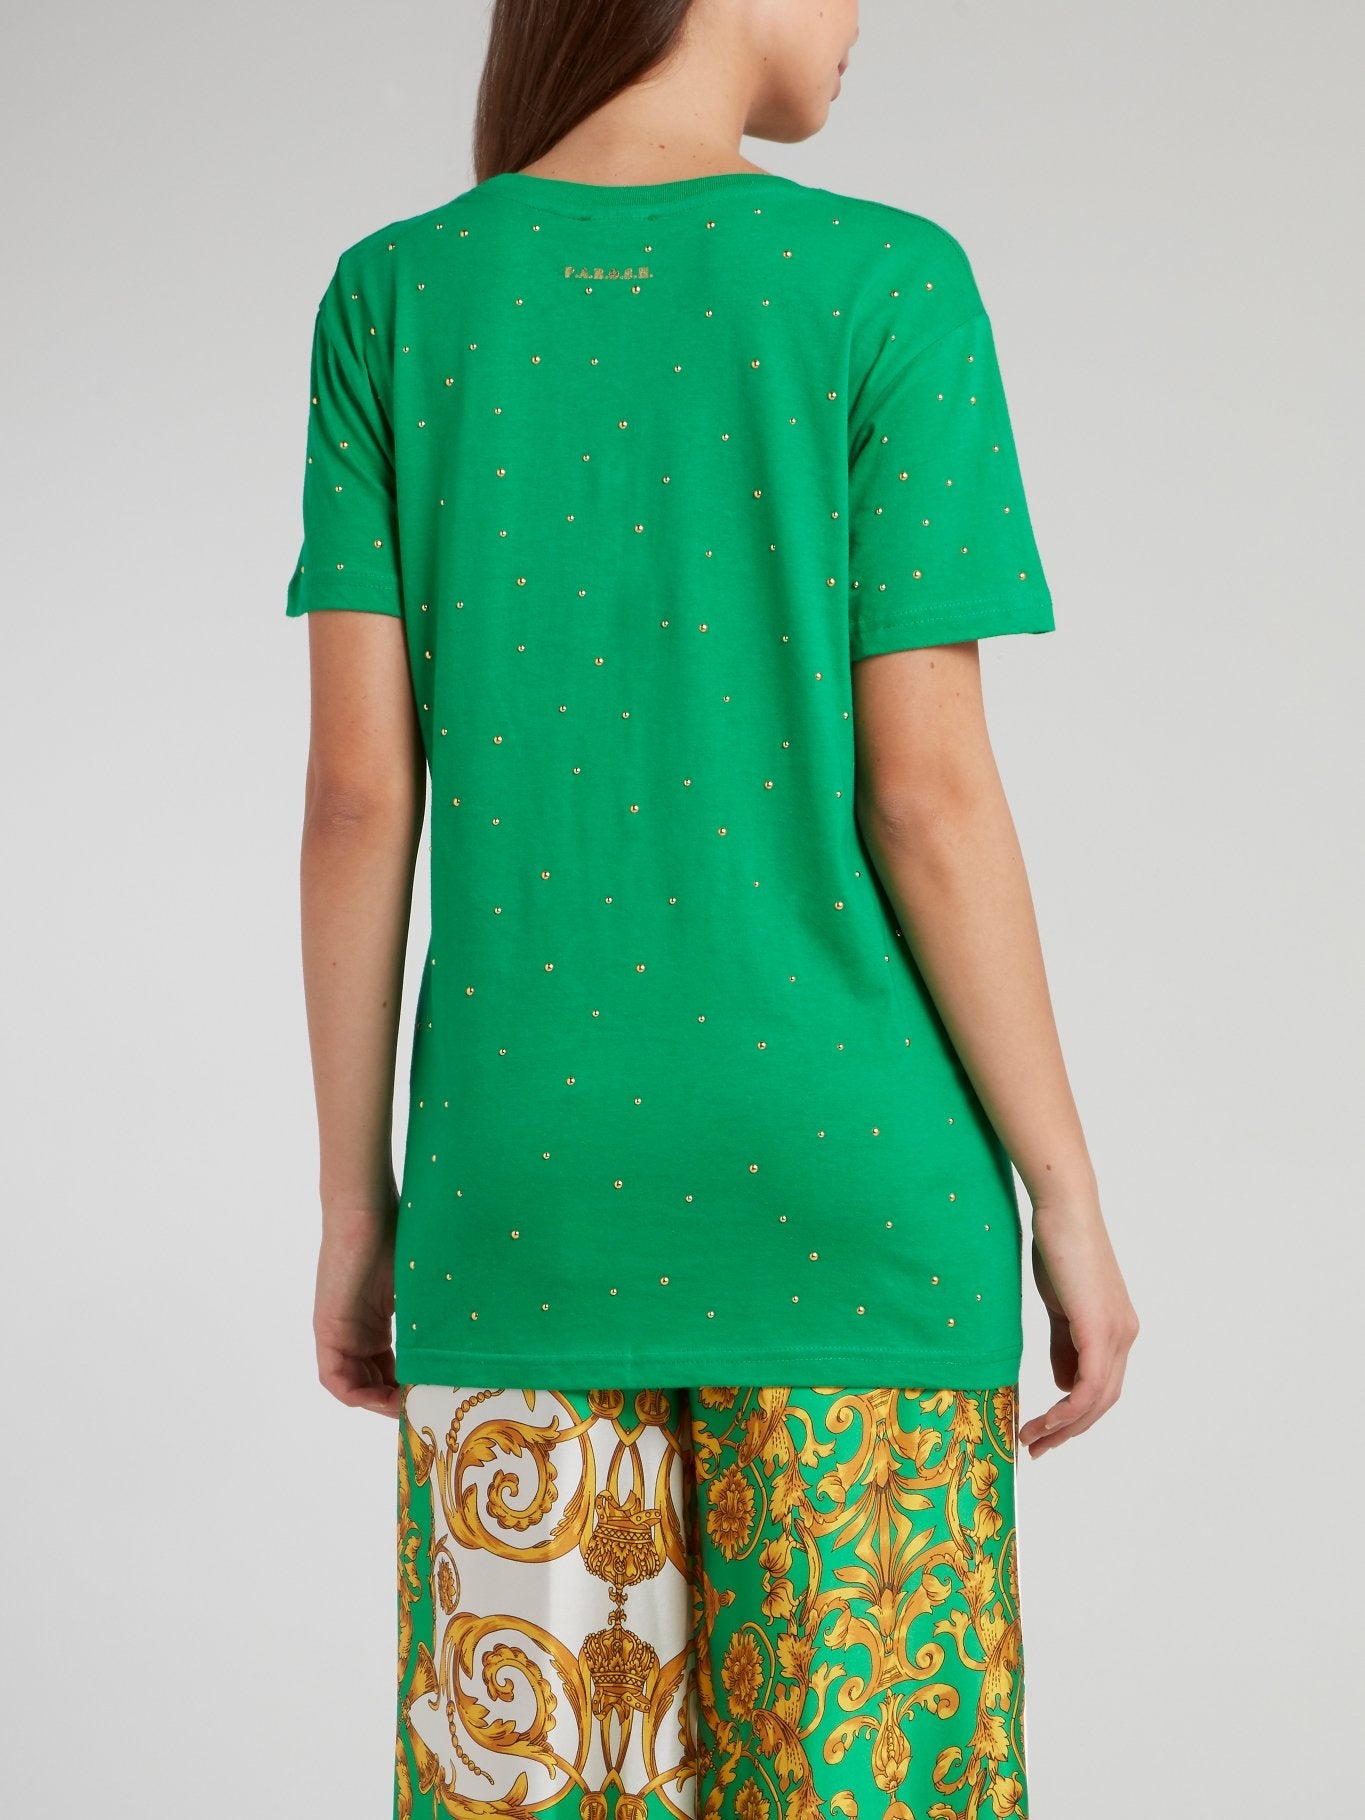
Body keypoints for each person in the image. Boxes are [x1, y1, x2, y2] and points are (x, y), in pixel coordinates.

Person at [284, 2, 1139, 1814]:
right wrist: (1065, 1195)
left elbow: (359, 799)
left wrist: (359, 1204)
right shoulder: (884, 284)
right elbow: (926, 792)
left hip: (519, 1214)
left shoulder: (394, 297)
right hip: (856, 1221)